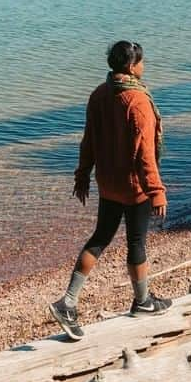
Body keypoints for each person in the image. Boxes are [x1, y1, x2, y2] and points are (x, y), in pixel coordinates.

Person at [49, 40, 171, 340]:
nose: (144, 67)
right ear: (131, 66)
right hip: (134, 187)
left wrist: (83, 174)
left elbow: (88, 140)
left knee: (101, 238)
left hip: (108, 183)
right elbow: (144, 154)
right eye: (141, 62)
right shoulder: (138, 101)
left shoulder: (99, 94)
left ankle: (69, 301)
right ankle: (142, 302)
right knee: (137, 241)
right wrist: (156, 190)